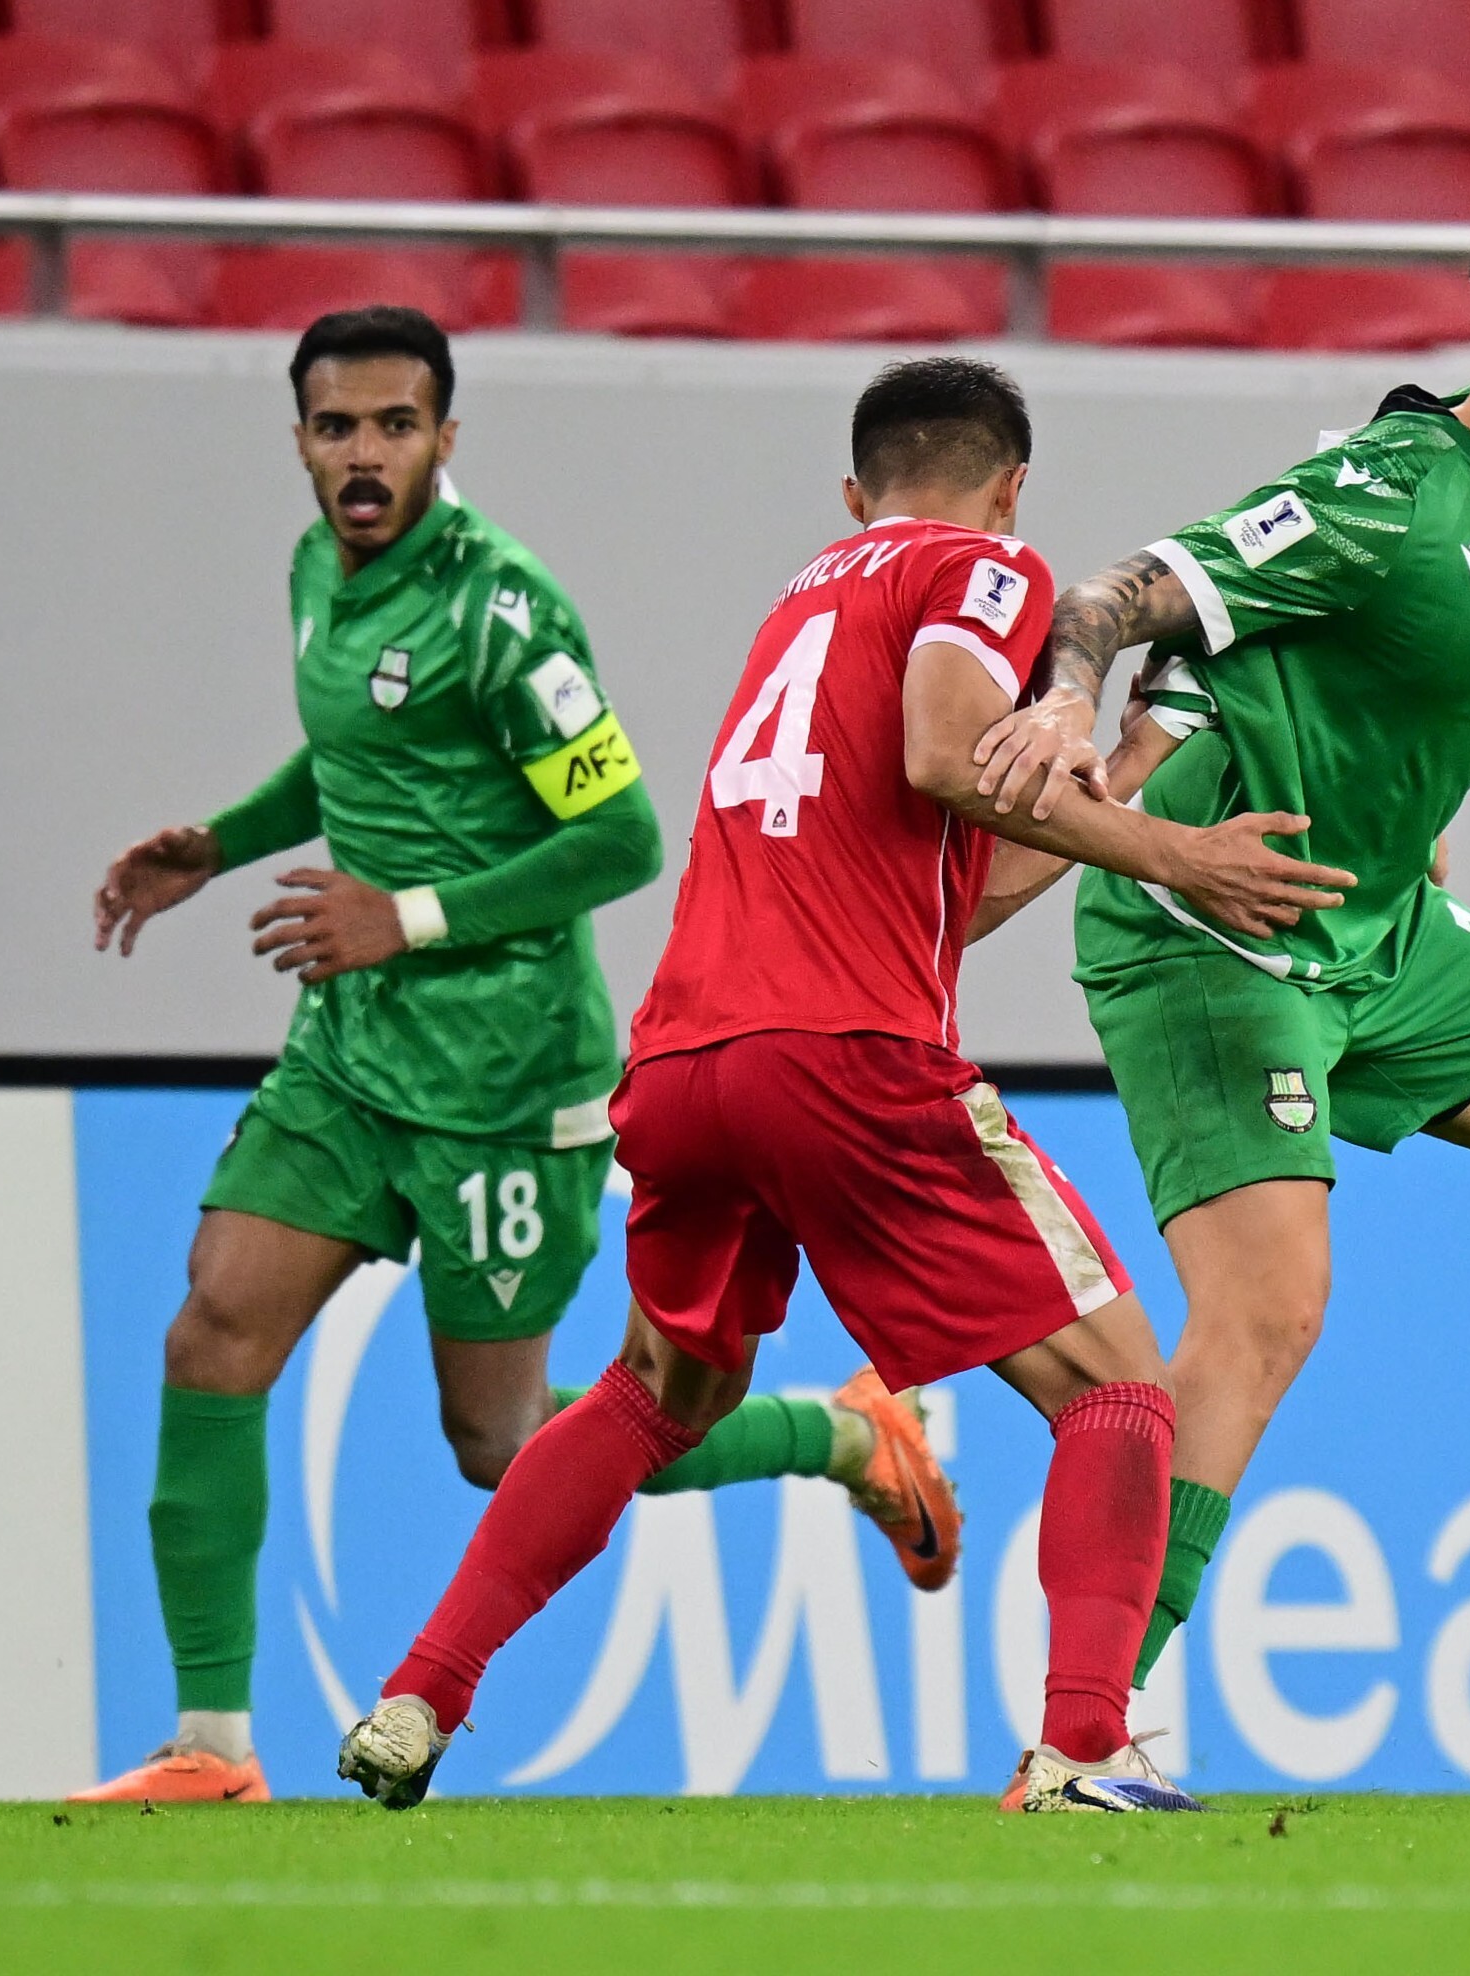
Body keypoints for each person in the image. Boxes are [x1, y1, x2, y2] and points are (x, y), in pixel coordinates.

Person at [332, 357, 1351, 1815]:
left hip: (687, 1060)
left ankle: (419, 1696)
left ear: (853, 489)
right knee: (1122, 1385)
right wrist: (1180, 856)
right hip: (848, 1058)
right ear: (1012, 487)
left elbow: (952, 896)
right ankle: (1082, 1749)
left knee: (654, 1392)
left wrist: (1123, 776)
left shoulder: (803, 604)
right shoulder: (985, 569)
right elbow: (943, 752)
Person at [78, 307, 958, 1805]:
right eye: (338, 428)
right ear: (300, 440)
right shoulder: (316, 574)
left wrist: (404, 917)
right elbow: (361, 757)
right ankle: (211, 1747)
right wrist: (221, 844)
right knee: (210, 1336)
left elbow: (620, 838)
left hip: (503, 1077)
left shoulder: (503, 613)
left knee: (500, 1441)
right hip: (350, 1057)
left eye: (394, 426)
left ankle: (841, 1436)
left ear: (445, 437)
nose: (365, 455)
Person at [971, 186, 1470, 1703]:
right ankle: (1092, 1729)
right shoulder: (1381, 492)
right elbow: (1113, 594)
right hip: (1216, 922)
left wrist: (1406, 820)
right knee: (1266, 1312)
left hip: (1382, 919)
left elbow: (1382, 683)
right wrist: (1071, 699)